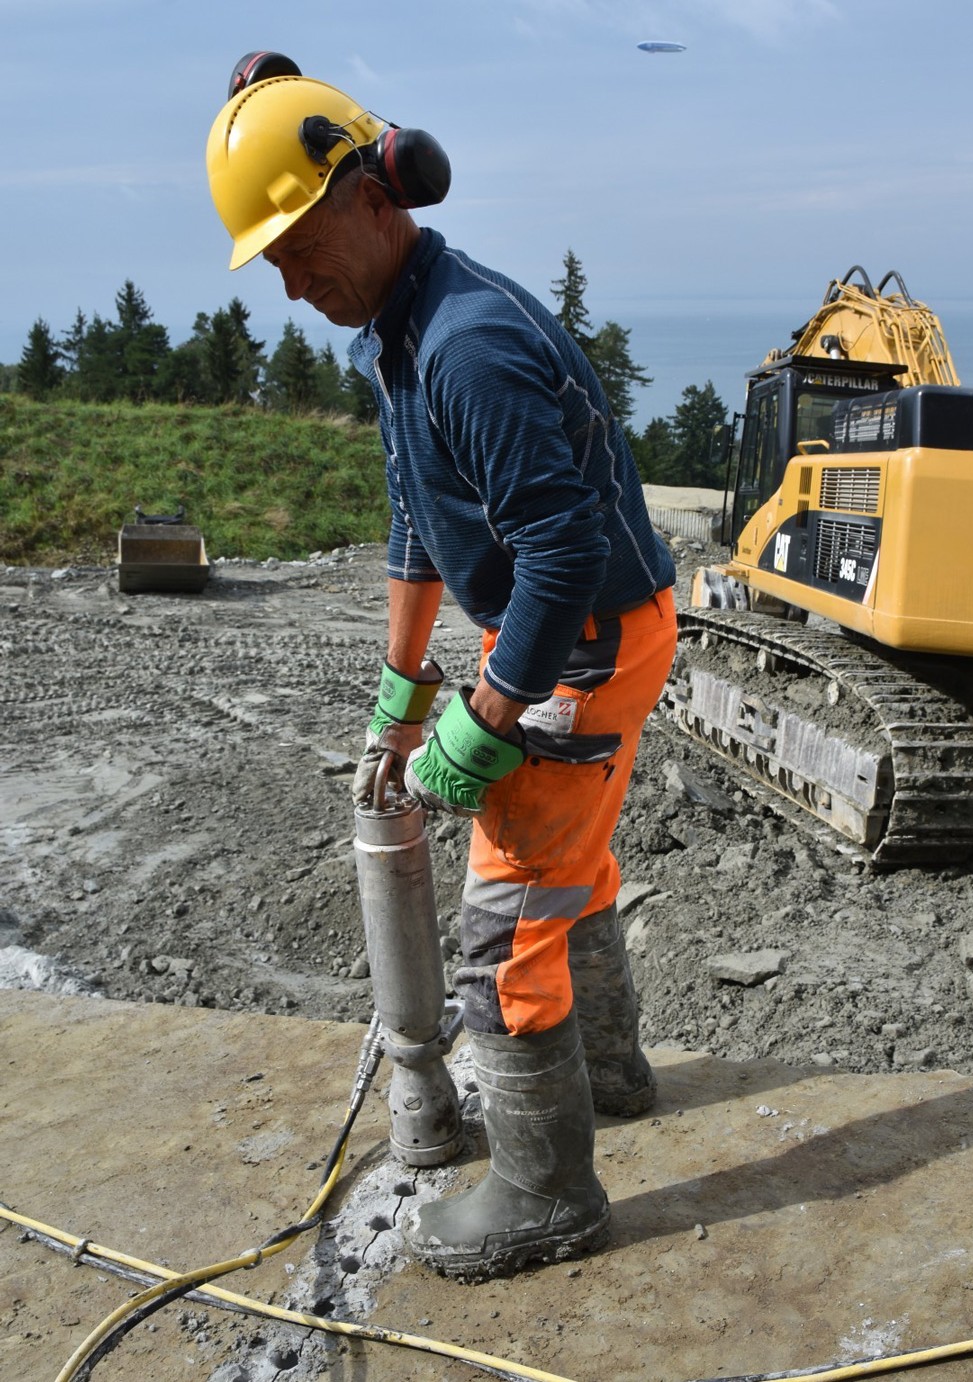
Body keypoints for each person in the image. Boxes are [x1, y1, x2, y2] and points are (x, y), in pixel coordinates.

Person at [206, 55, 677, 1283]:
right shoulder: (396, 337)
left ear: (379, 193)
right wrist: (403, 686)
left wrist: (487, 712)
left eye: (304, 249)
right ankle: (612, 1073)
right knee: (565, 864)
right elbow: (421, 517)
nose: (296, 286)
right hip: (579, 626)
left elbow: (565, 546)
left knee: (502, 921)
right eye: (276, 265)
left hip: (589, 637)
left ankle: (546, 1187)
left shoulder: (462, 345)